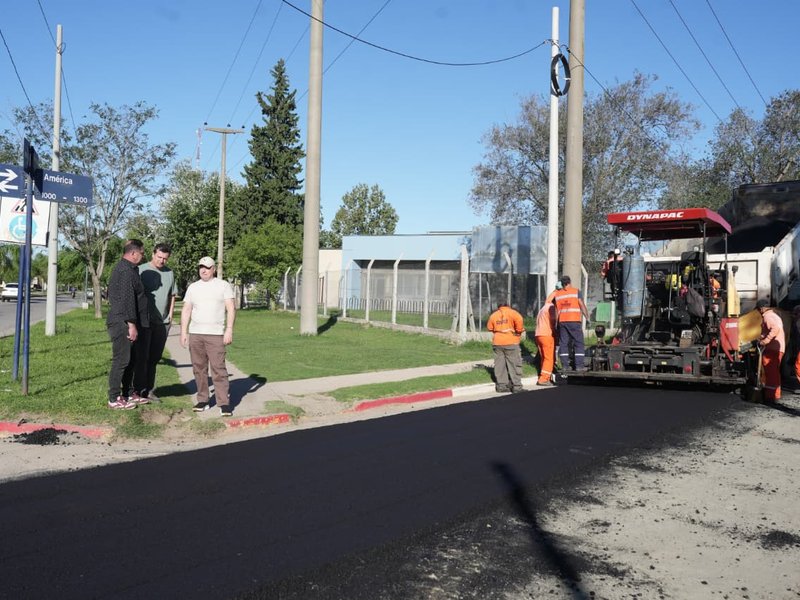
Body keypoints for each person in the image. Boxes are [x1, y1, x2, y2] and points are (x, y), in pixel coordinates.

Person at [180, 256, 236, 416]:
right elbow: (186, 309)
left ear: (213, 269)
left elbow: (231, 308)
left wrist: (229, 330)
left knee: (218, 369)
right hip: (196, 334)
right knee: (199, 369)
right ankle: (203, 400)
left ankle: (223, 403)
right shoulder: (193, 287)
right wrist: (183, 331)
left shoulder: (223, 285)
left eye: (207, 267)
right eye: (201, 267)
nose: (203, 270)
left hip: (216, 334)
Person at [106, 239, 150, 410]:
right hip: (121, 322)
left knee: (130, 360)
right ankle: (114, 397)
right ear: (133, 253)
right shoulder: (125, 270)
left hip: (128, 321)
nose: (143, 256)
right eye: (142, 253)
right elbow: (127, 300)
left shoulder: (131, 269)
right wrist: (131, 325)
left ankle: (128, 393)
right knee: (121, 360)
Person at [132, 243, 177, 403]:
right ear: (153, 254)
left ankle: (149, 390)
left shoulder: (170, 273)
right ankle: (138, 390)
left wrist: (170, 315)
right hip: (144, 321)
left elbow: (172, 295)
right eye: (159, 257)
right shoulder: (141, 270)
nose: (162, 261)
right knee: (141, 357)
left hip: (162, 323)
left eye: (165, 258)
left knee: (154, 358)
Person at [553, 275, 590, 371]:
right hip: (574, 321)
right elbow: (581, 305)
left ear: (562, 284)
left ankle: (565, 366)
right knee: (579, 343)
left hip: (562, 322)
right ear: (569, 282)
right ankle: (579, 366)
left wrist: (556, 323)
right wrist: (587, 317)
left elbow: (556, 310)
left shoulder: (557, 294)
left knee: (563, 343)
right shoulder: (576, 291)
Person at [486, 302, 525, 393]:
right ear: (508, 305)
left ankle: (501, 386)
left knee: (500, 365)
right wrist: (518, 331)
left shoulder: (493, 315)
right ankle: (516, 386)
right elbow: (519, 324)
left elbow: (489, 328)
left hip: (497, 343)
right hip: (511, 342)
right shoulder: (514, 313)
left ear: (499, 307)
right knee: (514, 364)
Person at [756, 298, 785, 404]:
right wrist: (761, 337)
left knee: (770, 373)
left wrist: (765, 341)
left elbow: (775, 328)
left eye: (758, 309)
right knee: (774, 373)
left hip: (772, 349)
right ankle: (775, 395)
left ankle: (771, 397)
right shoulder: (774, 315)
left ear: (762, 308)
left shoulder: (767, 316)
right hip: (777, 348)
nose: (758, 312)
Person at [534, 301, 556, 386]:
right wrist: (556, 331)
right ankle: (543, 379)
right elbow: (553, 320)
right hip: (547, 334)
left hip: (539, 334)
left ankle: (543, 375)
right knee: (549, 358)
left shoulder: (543, 308)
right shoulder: (551, 307)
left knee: (544, 358)